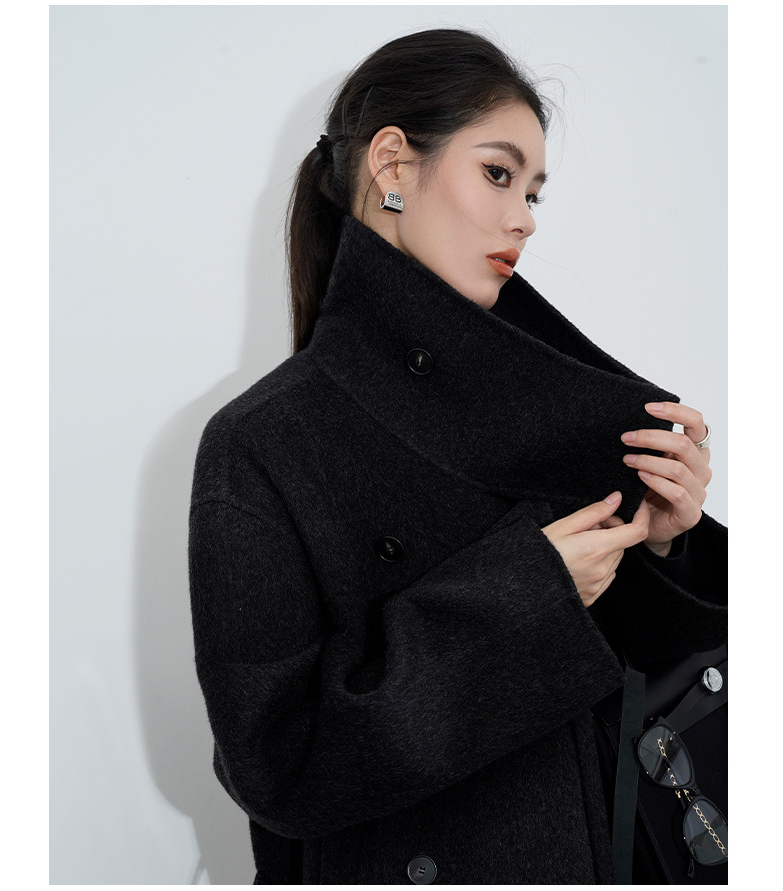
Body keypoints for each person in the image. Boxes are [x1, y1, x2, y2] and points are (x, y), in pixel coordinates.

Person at [188, 28, 727, 884]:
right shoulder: (260, 444)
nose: (525, 219)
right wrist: (526, 596)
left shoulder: (547, 408)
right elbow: (275, 767)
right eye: (499, 174)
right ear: (393, 166)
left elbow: (632, 684)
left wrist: (661, 543)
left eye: (535, 192)